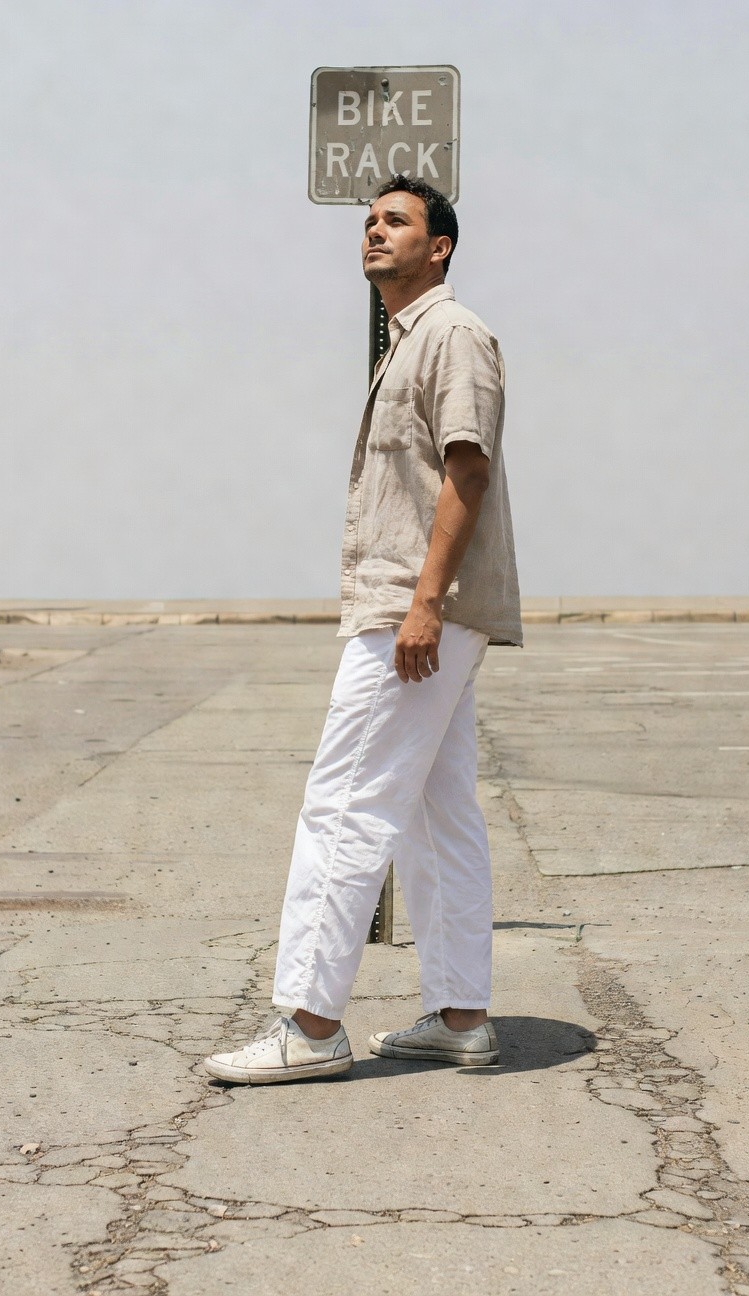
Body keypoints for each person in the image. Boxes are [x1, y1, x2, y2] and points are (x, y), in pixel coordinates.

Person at [204, 175, 522, 1085]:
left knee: (344, 803)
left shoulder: (453, 335)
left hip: (414, 610)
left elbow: (468, 468)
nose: (375, 232)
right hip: (424, 607)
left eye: (398, 221)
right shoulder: (410, 339)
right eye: (370, 221)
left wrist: (425, 602)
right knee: (435, 812)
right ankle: (462, 1016)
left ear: (442, 245)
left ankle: (309, 1026)